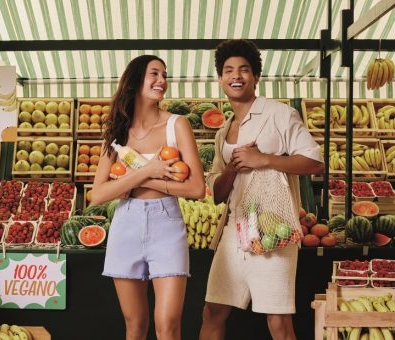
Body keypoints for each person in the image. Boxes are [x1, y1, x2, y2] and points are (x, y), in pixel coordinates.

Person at [198, 40, 324, 340]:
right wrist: (232, 167)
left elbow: (315, 162)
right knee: (213, 312)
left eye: (244, 69)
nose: (235, 75)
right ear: (220, 79)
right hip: (233, 232)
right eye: (228, 70)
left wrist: (264, 159)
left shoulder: (279, 114)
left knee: (278, 321)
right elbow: (217, 194)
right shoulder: (223, 130)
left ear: (255, 77)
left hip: (273, 230)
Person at [91, 54, 205, 340]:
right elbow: (98, 194)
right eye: (154, 74)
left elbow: (196, 188)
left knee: (168, 325)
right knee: (135, 326)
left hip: (166, 222)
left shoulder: (176, 126)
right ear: (135, 79)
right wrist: (145, 173)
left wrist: (149, 177)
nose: (162, 81)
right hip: (126, 223)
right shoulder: (118, 132)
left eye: (164, 75)